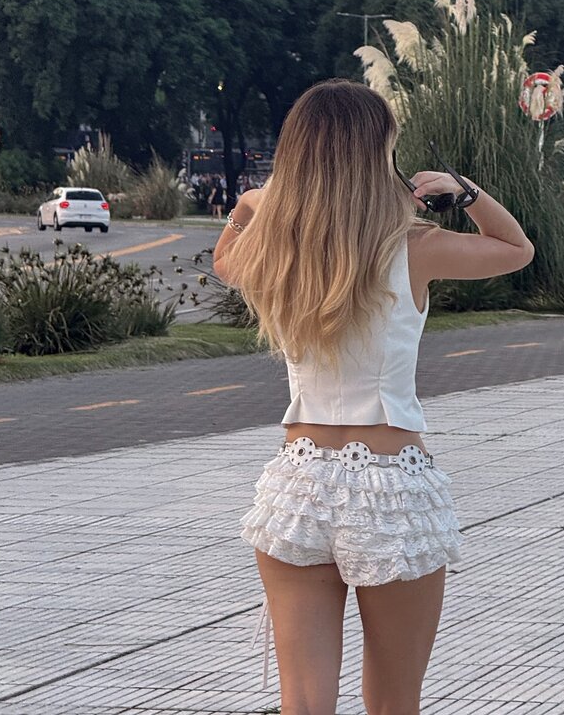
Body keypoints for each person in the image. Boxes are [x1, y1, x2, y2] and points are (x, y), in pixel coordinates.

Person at [213, 80, 534, 715]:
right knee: (393, 701)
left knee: (303, 703)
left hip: (298, 483)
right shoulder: (415, 246)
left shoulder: (278, 253)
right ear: (379, 153)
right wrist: (467, 192)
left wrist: (250, 202)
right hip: (391, 486)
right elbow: (516, 251)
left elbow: (225, 257)